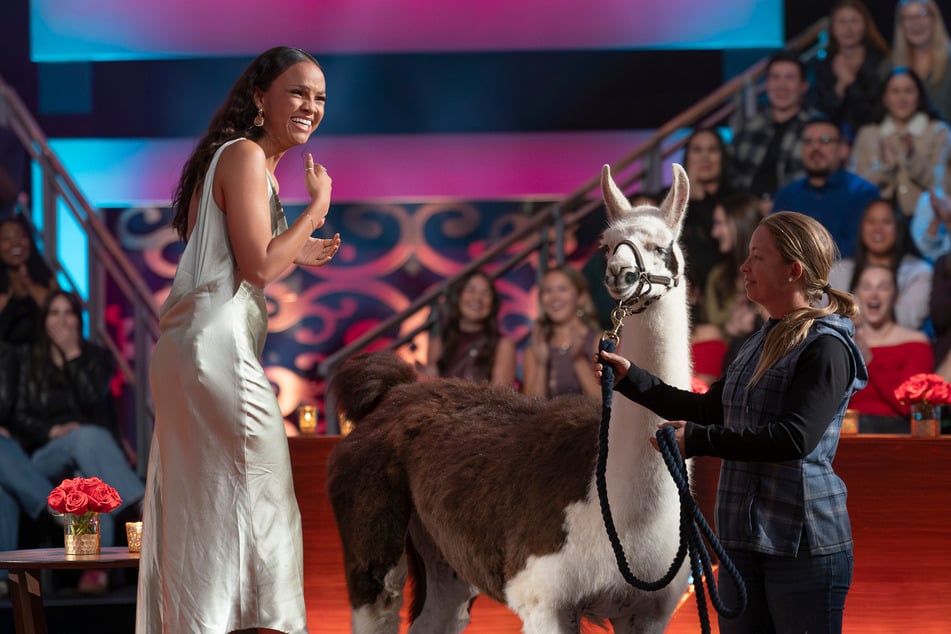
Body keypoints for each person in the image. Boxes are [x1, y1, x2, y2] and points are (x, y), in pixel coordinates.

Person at [139, 46, 341, 634]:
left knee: (206, 512)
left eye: (320, 97)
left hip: (191, 352)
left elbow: (241, 255)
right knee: (263, 500)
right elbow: (257, 267)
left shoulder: (235, 160)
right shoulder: (248, 157)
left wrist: (297, 245)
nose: (311, 106)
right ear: (260, 98)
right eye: (298, 92)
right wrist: (315, 211)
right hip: (217, 352)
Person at [598, 211, 868, 634]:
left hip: (802, 546)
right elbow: (710, 409)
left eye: (757, 257)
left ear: (793, 271)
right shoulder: (759, 341)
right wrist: (632, 379)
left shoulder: (827, 348)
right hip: (745, 539)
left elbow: (794, 438)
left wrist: (702, 441)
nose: (744, 267)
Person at [9, 290, 145, 593]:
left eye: (68, 312)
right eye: (54, 313)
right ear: (44, 321)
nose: (61, 320)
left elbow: (98, 409)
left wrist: (73, 357)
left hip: (87, 454)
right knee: (83, 436)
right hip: (44, 456)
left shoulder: (96, 359)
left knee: (88, 481)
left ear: (77, 319)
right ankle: (138, 505)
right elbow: (18, 416)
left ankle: (94, 570)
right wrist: (52, 431)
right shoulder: (29, 362)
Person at [772, 116, 880, 257]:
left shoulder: (863, 193)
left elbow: (857, 247)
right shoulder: (787, 195)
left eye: (824, 141)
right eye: (808, 142)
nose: (815, 147)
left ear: (843, 149)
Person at [850, 67, 951, 218]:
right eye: (895, 91)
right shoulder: (869, 134)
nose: (902, 98)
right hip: (877, 220)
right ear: (885, 97)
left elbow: (943, 185)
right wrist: (886, 167)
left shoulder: (938, 132)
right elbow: (855, 187)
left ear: (919, 96)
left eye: (908, 91)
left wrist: (912, 157)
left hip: (926, 221)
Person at [0, 341, 56, 599]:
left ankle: (3, 580)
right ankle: (54, 504)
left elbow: (7, 406)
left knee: (2, 487)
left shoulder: (6, 352)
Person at [848, 264, 933, 432]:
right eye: (866, 287)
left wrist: (870, 362)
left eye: (883, 287)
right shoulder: (845, 341)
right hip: (847, 433)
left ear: (896, 296)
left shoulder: (916, 343)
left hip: (895, 434)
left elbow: (910, 406)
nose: (874, 294)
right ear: (857, 296)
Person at [830, 198, 932, 329]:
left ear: (899, 227)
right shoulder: (840, 271)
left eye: (886, 222)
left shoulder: (918, 272)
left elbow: (909, 320)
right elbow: (826, 319)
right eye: (871, 222)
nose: (877, 229)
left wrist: (854, 316)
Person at [730, 50, 815, 203]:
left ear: (803, 86)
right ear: (767, 84)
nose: (782, 85)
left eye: (790, 78)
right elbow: (733, 175)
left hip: (793, 214)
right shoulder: (750, 125)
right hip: (745, 214)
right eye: (775, 77)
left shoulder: (814, 127)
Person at [809, 0, 890, 141]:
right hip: (831, 141)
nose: (848, 29)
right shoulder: (822, 65)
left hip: (874, 139)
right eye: (842, 22)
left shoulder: (881, 63)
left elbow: (874, 116)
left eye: (854, 21)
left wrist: (851, 83)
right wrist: (840, 86)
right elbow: (822, 113)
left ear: (865, 26)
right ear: (833, 28)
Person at [420, 269, 517, 386]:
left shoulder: (503, 345)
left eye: (485, 293)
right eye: (471, 290)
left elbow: (500, 398)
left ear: (492, 304)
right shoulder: (439, 342)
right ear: (458, 297)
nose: (477, 298)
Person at [522, 264, 601, 399]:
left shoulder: (599, 341)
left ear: (581, 297)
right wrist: (541, 364)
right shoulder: (534, 349)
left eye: (562, 289)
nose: (554, 297)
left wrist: (578, 359)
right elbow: (530, 411)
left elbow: (606, 404)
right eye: (547, 291)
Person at [679, 127, 734, 290]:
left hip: (722, 289)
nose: (705, 157)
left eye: (712, 150)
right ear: (687, 157)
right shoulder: (671, 199)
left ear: (722, 157)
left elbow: (726, 249)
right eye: (697, 150)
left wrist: (700, 199)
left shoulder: (735, 200)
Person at [0, 214, 57, 345]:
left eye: (21, 236)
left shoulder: (44, 275)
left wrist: (29, 285)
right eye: (6, 239)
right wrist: (11, 293)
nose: (16, 243)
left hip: (42, 356)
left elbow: (58, 312)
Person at [890, 0, 951, 120]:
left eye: (922, 15)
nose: (915, 23)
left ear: (934, 19)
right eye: (908, 17)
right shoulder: (889, 67)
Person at [910, 186, 951, 261]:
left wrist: (948, 222)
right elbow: (924, 248)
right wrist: (937, 217)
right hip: (936, 265)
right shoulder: (931, 198)